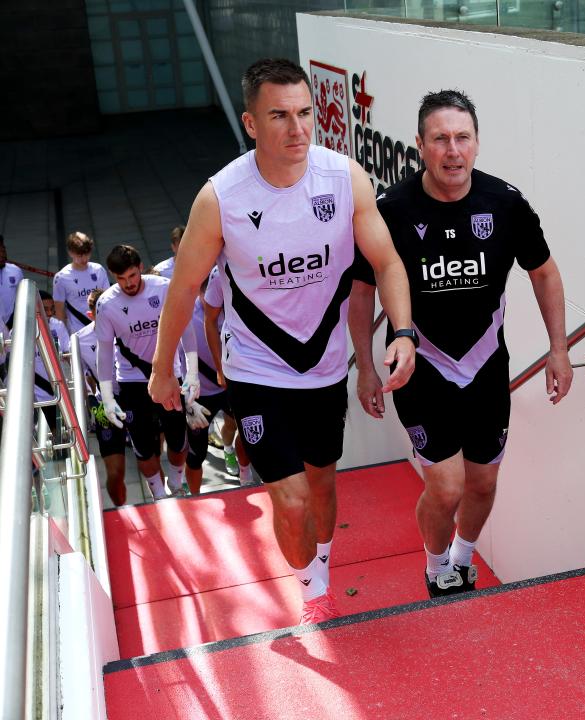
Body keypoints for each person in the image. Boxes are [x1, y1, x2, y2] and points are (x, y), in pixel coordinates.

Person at [147, 58, 416, 626]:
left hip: (323, 368)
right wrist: (162, 367)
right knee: (289, 499)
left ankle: (319, 565)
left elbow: (389, 261)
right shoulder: (220, 197)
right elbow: (185, 288)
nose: (297, 130)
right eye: (279, 116)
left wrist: (403, 333)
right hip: (256, 369)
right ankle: (309, 590)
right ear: (250, 122)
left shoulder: (344, 178)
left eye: (304, 114)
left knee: (322, 485)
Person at [349, 90, 573, 599]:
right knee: (446, 486)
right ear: (420, 146)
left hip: (486, 366)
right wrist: (364, 366)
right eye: (441, 139)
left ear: (476, 144)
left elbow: (545, 274)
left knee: (483, 484)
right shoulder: (391, 209)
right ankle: (435, 567)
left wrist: (558, 349)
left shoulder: (505, 203)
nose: (453, 150)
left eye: (462, 138)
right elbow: (361, 294)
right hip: (419, 366)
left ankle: (463, 557)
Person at [96, 244, 197, 500]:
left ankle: (177, 482)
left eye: (131, 275)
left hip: (168, 375)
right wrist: (107, 397)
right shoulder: (107, 305)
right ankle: (158, 495)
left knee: (177, 439)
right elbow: (104, 352)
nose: (128, 284)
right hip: (131, 382)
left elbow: (185, 328)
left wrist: (193, 373)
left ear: (140, 268)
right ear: (112, 275)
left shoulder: (162, 288)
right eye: (120, 279)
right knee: (143, 448)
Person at [183, 271, 254, 493]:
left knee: (246, 432)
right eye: (209, 296)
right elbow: (176, 362)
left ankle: (245, 477)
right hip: (200, 395)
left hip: (232, 385)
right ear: (198, 292)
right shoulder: (184, 315)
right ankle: (193, 498)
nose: (216, 301)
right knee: (196, 454)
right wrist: (186, 399)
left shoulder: (232, 306)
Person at [200, 265, 253, 483]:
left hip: (247, 372)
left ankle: (244, 469)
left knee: (244, 425)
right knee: (230, 425)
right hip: (218, 377)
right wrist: (220, 370)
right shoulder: (201, 314)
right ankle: (228, 450)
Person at [75, 288, 128, 505]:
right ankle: (121, 509)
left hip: (135, 396)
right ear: (91, 315)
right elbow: (81, 379)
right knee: (115, 473)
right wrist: (93, 405)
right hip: (103, 404)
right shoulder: (79, 340)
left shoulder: (127, 323)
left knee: (152, 458)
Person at [53, 231, 111, 334]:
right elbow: (59, 311)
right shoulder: (61, 277)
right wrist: (63, 336)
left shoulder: (99, 270)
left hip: (102, 328)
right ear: (70, 252)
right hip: (78, 333)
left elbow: (108, 300)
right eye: (79, 255)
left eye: (87, 253)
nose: (84, 258)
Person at [36, 290, 71, 436]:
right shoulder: (20, 329)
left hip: (55, 391)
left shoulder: (58, 326)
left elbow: (68, 354)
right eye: (45, 310)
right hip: (34, 394)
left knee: (58, 435)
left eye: (52, 309)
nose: (50, 313)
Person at [0, 234, 24, 331]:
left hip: (14, 326)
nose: (2, 255)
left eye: (3, 250)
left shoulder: (16, 271)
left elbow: (22, 300)